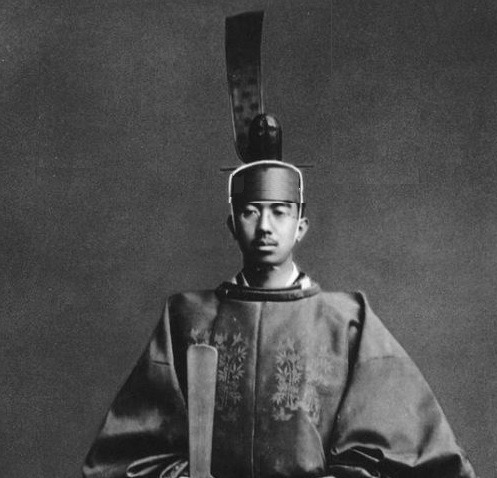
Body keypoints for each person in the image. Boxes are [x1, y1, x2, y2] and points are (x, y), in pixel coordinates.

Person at [82, 114, 477, 477]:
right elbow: (126, 455)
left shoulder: (345, 321)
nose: (265, 227)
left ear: (300, 226)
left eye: (280, 211)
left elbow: (404, 452)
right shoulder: (187, 319)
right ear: (232, 225)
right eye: (251, 211)